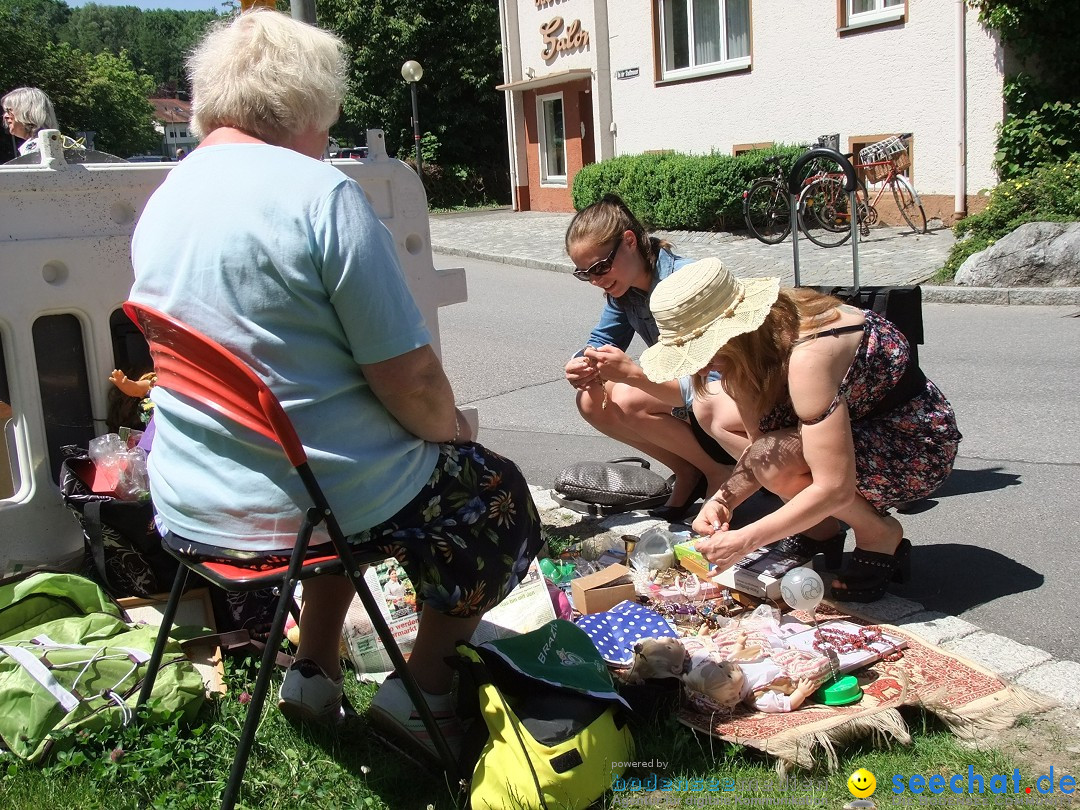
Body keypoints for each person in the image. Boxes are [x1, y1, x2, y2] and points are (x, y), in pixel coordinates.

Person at [128, 10, 542, 762]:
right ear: (307, 106)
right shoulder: (319, 195)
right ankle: (422, 694)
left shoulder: (168, 196)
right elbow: (411, 378)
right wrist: (454, 434)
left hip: (192, 498)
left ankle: (312, 674)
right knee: (494, 498)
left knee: (337, 479)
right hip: (294, 504)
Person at [639, 258, 960, 603]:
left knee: (779, 458)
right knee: (768, 455)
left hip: (912, 446)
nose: (700, 366)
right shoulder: (747, 353)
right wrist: (722, 499)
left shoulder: (810, 353)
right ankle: (819, 530)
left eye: (702, 350)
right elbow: (759, 450)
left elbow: (834, 486)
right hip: (861, 427)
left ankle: (880, 536)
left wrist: (746, 538)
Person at [563, 194, 746, 521]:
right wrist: (581, 363)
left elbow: (717, 378)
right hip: (690, 394)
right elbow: (600, 341)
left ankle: (718, 469)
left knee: (630, 397)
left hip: (729, 396)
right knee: (590, 399)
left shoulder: (686, 280)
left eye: (600, 267)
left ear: (629, 241)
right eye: (584, 274)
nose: (596, 280)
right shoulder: (625, 291)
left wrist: (633, 375)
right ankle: (688, 470)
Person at [2, 87, 59, 156]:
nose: (5, 116)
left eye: (9, 111)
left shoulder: (38, 147)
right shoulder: (54, 142)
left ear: (28, 112)